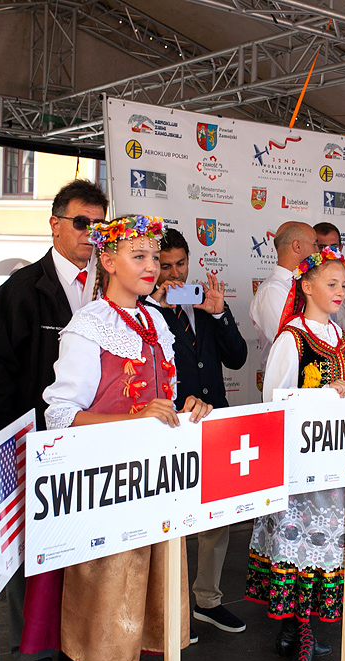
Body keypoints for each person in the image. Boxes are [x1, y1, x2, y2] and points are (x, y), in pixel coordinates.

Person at [41, 214, 211, 661]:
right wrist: (134, 419)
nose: (152, 265)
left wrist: (186, 407)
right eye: (139, 256)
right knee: (107, 605)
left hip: (156, 482)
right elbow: (60, 415)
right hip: (108, 485)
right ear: (108, 260)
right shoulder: (89, 324)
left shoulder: (156, 320)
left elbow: (163, 401)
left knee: (154, 594)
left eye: (155, 256)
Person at [0, 179, 107, 661]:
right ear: (55, 224)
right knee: (32, 555)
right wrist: (11, 444)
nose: (91, 233)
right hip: (37, 446)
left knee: (89, 551)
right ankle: (33, 653)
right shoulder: (21, 290)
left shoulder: (113, 286)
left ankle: (84, 642)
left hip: (98, 446)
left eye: (99, 224)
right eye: (81, 223)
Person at [248, 246, 345, 661]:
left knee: (328, 547)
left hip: (337, 462)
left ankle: (301, 625)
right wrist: (321, 397)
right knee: (300, 544)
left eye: (343, 284)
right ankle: (298, 627)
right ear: (306, 287)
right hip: (302, 466)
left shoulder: (340, 338)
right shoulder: (292, 338)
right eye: (331, 284)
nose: (341, 291)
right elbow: (274, 400)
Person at [151, 228, 248, 634]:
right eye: (164, 265)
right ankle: (166, 610)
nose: (173, 274)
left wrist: (220, 313)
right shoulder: (141, 310)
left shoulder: (204, 305)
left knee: (216, 518)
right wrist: (152, 310)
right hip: (166, 425)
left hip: (213, 422)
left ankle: (207, 599)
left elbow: (239, 358)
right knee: (165, 521)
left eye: (180, 264)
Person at [249, 221, 317, 373]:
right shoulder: (272, 290)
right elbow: (292, 344)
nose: (318, 252)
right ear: (297, 246)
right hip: (287, 388)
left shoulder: (305, 284)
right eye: (315, 244)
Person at [314, 222, 345, 370]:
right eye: (322, 247)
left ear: (341, 248)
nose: (328, 252)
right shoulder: (303, 290)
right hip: (314, 377)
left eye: (333, 247)